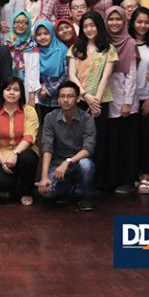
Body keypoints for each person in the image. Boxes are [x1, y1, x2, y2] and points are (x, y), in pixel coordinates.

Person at [67, 11, 116, 189]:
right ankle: (78, 181)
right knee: (79, 141)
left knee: (99, 141)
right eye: (86, 26)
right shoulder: (75, 49)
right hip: (79, 101)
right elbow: (72, 74)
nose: (89, 29)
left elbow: (106, 77)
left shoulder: (108, 49)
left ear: (99, 27)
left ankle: (98, 183)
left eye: (92, 25)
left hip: (101, 101)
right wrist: (85, 95)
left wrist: (95, 100)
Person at [36, 81, 97, 211]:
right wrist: (44, 176)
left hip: (78, 161)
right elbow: (47, 147)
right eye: (62, 96)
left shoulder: (87, 119)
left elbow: (88, 149)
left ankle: (83, 195)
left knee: (87, 165)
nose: (65, 100)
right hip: (57, 164)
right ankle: (67, 189)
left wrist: (68, 161)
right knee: (46, 192)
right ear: (58, 99)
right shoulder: (50, 118)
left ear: (78, 98)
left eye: (70, 96)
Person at [0, 77, 39, 206]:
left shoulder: (29, 111)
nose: (11, 93)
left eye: (16, 90)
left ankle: (26, 192)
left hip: (23, 153)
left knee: (28, 158)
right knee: (2, 183)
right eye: (8, 89)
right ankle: (13, 186)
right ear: (2, 92)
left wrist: (15, 154)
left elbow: (29, 137)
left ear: (21, 94)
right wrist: (3, 161)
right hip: (0, 156)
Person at [103, 7, 139, 194]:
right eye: (111, 19)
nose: (114, 23)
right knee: (112, 142)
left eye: (118, 19)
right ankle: (112, 179)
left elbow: (132, 76)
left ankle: (127, 180)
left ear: (125, 21)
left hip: (126, 102)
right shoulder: (104, 42)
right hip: (107, 99)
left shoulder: (130, 43)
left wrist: (127, 102)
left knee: (127, 143)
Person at [128, 7, 149, 194]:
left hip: (147, 97)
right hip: (128, 99)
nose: (143, 25)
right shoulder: (126, 42)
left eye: (146, 22)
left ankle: (147, 177)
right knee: (132, 139)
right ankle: (133, 175)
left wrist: (148, 98)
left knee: (148, 138)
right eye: (139, 22)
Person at [33, 20, 67, 121]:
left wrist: (49, 91)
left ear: (52, 33)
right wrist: (40, 87)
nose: (42, 37)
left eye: (46, 33)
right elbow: (31, 72)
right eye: (39, 34)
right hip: (40, 98)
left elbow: (66, 75)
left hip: (59, 98)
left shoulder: (62, 50)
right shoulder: (35, 51)